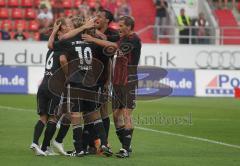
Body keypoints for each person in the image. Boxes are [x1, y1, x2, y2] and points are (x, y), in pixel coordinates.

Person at [82, 15, 142, 158]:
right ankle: (127, 146)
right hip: (117, 82)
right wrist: (89, 28)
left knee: (126, 115)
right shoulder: (122, 37)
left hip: (129, 81)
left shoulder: (134, 40)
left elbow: (113, 46)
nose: (118, 29)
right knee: (116, 116)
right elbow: (106, 37)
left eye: (121, 26)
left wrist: (92, 39)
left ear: (129, 26)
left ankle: (125, 149)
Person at [53, 18, 113, 157]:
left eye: (73, 26)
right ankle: (104, 144)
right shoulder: (91, 42)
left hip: (75, 83)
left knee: (76, 115)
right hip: (90, 82)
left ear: (76, 27)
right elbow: (112, 46)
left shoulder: (69, 42)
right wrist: (95, 39)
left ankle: (79, 149)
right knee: (95, 115)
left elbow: (59, 43)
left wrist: (69, 74)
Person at [30, 19, 65, 156]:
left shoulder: (51, 48)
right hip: (55, 87)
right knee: (53, 118)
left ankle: (35, 143)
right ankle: (45, 148)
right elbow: (63, 61)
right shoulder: (63, 47)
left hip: (43, 85)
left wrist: (55, 30)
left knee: (42, 118)